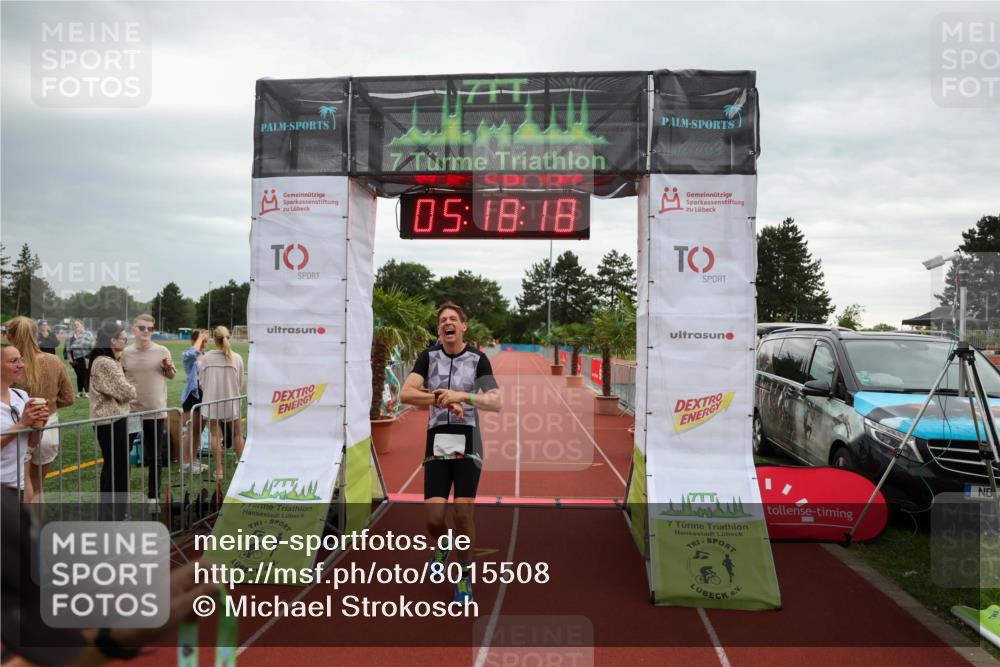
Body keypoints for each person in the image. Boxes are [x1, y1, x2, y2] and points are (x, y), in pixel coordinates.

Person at [400, 302, 502, 604]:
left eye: (453, 319)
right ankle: (442, 545)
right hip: (438, 439)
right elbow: (406, 393)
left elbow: (495, 401)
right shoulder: (428, 358)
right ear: (439, 330)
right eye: (443, 320)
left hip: (468, 437)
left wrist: (463, 396)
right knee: (433, 518)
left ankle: (463, 578)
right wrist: (441, 399)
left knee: (463, 511)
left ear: (463, 327)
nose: (448, 323)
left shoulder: (478, 360)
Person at [4, 317, 74, 502]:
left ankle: (24, 527)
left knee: (25, 484)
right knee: (38, 488)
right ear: (36, 335)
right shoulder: (53, 360)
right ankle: (36, 528)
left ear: (9, 336)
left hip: (19, 428)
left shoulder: (9, 365)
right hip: (48, 426)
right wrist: (48, 407)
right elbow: (68, 398)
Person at [121, 314, 175, 512]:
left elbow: (171, 374)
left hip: (155, 412)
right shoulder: (125, 353)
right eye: (142, 328)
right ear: (134, 329)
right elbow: (120, 379)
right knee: (123, 454)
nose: (146, 332)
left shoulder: (162, 350)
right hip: (132, 411)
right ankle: (123, 496)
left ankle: (153, 498)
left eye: (150, 329)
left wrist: (168, 368)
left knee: (154, 456)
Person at [88, 322, 136, 518]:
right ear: (112, 340)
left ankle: (115, 512)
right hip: (110, 421)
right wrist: (131, 389)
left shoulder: (108, 360)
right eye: (123, 338)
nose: (126, 341)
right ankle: (112, 514)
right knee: (116, 468)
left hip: (114, 419)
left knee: (116, 466)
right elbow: (126, 391)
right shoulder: (105, 362)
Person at [1, 342, 49, 491]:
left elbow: (31, 444)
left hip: (17, 483)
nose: (21, 365)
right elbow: (21, 426)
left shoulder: (21, 396)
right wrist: (22, 424)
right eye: (13, 361)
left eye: (21, 360)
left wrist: (39, 425)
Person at [199, 326, 244, 481]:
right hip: (231, 400)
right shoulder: (236, 357)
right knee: (238, 433)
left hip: (212, 400)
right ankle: (242, 464)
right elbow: (240, 383)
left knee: (215, 435)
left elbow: (202, 382)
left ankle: (219, 470)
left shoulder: (207, 358)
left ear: (214, 339)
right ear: (227, 338)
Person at [180, 329, 209, 474]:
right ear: (193, 341)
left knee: (199, 430)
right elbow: (192, 353)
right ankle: (185, 464)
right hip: (193, 395)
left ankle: (193, 460)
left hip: (206, 395)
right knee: (190, 431)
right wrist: (199, 339)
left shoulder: (207, 356)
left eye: (205, 341)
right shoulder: (189, 356)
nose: (203, 344)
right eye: (200, 340)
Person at [64, 319, 95, 396]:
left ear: (82, 325)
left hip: (86, 357)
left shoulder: (87, 334)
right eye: (75, 325)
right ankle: (80, 392)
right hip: (74, 358)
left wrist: (92, 355)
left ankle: (87, 391)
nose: (76, 326)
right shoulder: (70, 336)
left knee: (84, 374)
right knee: (79, 375)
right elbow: (67, 349)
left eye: (78, 324)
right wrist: (70, 358)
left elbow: (92, 344)